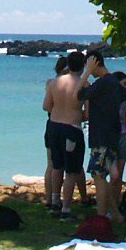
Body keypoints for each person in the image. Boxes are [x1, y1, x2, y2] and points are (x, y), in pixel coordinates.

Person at [77, 49, 126, 224]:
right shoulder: (112, 81)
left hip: (102, 137)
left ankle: (101, 218)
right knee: (103, 176)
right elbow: (123, 95)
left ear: (95, 63)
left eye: (89, 65)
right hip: (111, 134)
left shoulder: (103, 82)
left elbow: (79, 94)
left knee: (98, 176)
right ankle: (115, 214)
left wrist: (86, 73)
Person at [41, 50, 87, 220]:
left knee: (56, 166)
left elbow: (46, 106)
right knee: (72, 170)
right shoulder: (84, 85)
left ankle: (55, 202)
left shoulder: (54, 83)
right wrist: (74, 112)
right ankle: (66, 209)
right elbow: (87, 114)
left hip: (54, 127)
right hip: (71, 129)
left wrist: (61, 109)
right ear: (82, 66)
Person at [42, 54, 66, 212]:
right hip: (59, 124)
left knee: (51, 164)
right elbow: (48, 106)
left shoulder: (50, 83)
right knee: (57, 165)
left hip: (51, 124)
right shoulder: (63, 84)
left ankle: (49, 197)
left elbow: (47, 106)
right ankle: (53, 197)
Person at [108, 71, 126, 206]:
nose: (125, 88)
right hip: (112, 137)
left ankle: (116, 203)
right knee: (113, 173)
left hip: (123, 135)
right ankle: (110, 203)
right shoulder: (109, 99)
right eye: (123, 84)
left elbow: (125, 120)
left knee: (120, 173)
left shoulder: (123, 100)